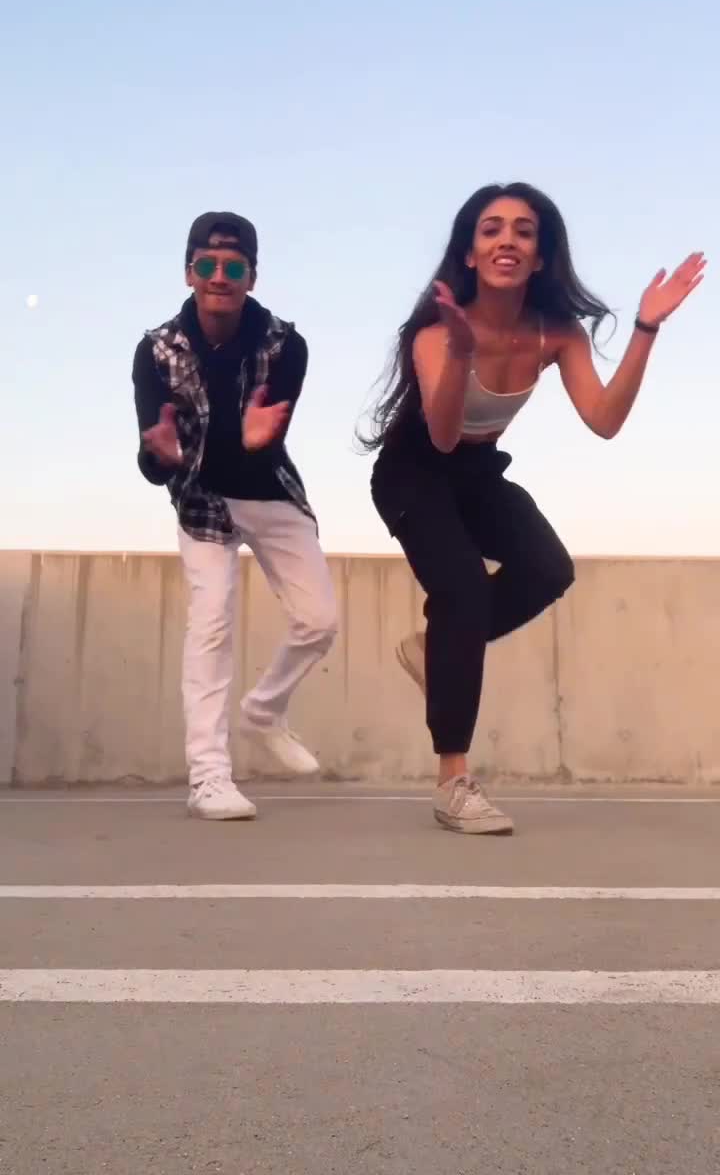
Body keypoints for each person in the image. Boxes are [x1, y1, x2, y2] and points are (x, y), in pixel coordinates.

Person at [363, 182, 704, 835]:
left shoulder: (557, 333)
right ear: (469, 253)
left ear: (541, 256)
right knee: (462, 589)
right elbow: (441, 438)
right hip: (414, 474)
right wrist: (462, 354)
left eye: (524, 231)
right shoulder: (436, 332)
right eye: (491, 229)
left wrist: (646, 327)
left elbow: (604, 420)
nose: (508, 241)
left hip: (478, 474)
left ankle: (433, 649)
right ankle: (453, 782)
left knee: (548, 569)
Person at [132, 212, 337, 820]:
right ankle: (209, 778)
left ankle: (265, 710)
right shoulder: (156, 351)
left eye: (233, 266)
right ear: (189, 272)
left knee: (319, 621)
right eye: (206, 264)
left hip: (268, 491)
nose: (219, 276)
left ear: (251, 276)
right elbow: (154, 458)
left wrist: (258, 441)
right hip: (201, 501)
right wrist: (158, 456)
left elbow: (267, 440)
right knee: (210, 626)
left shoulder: (285, 344)